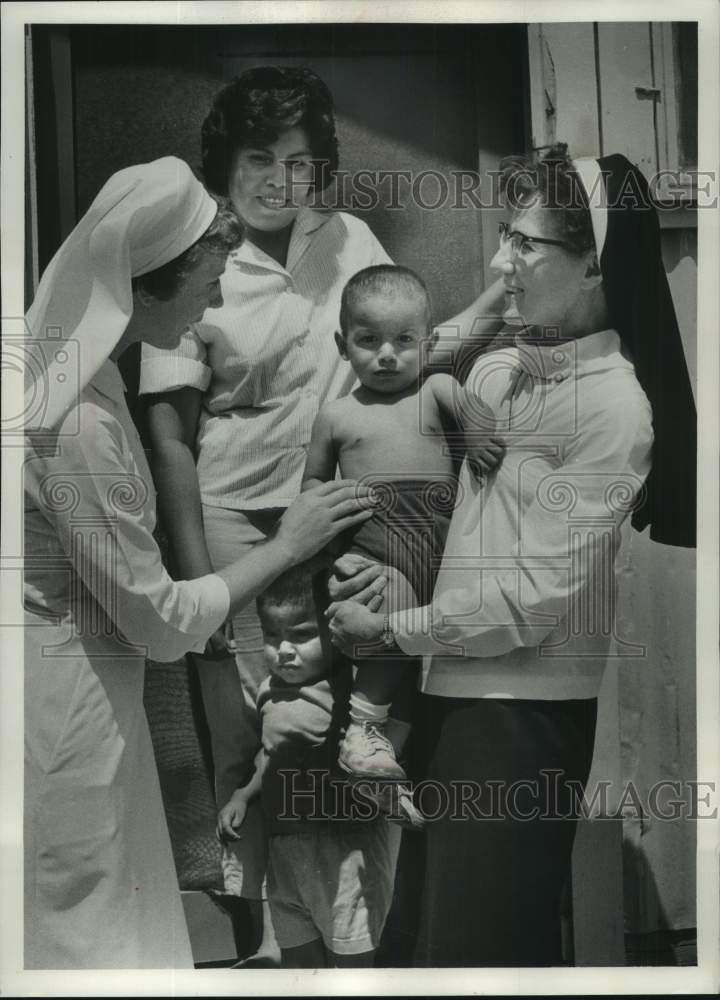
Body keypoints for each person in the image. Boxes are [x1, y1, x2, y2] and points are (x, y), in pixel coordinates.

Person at [138, 65, 505, 948]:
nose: (280, 180)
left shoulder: (350, 240)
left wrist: (497, 308)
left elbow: (399, 351)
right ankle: (265, 943)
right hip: (235, 523)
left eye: (300, 162)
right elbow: (170, 436)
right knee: (249, 732)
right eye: (259, 158)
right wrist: (199, 581)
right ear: (225, 163)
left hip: (347, 515)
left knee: (345, 722)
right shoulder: (197, 253)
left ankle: (353, 937)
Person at [326, 144, 696, 966]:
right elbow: (403, 362)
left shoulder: (614, 411)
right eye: (504, 237)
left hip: (523, 720)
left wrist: (389, 629)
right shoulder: (504, 372)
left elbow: (530, 603)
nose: (501, 262)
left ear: (594, 265)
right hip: (449, 694)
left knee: (480, 959)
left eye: (526, 244)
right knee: (425, 954)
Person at [22, 156, 376, 970]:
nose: (215, 303)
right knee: (82, 927)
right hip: (62, 711)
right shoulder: (74, 423)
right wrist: (288, 544)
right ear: (150, 286)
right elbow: (157, 623)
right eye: (210, 281)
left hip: (80, 696)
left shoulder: (82, 376)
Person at [303, 265, 504, 781]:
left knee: (423, 653)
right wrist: (332, 552)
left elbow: (478, 416)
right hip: (374, 544)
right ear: (342, 345)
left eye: (404, 340)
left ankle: (387, 758)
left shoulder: (436, 388)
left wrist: (476, 434)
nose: (387, 354)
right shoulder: (336, 414)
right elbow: (313, 487)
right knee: (387, 632)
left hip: (441, 545)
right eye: (369, 340)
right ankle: (361, 727)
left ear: (429, 342)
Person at [216, 565, 401, 968]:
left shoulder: (350, 686)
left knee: (355, 968)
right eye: (271, 635)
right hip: (284, 852)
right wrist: (243, 795)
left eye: (301, 635)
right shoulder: (269, 691)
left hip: (345, 847)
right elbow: (270, 751)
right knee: (300, 965)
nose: (283, 649)